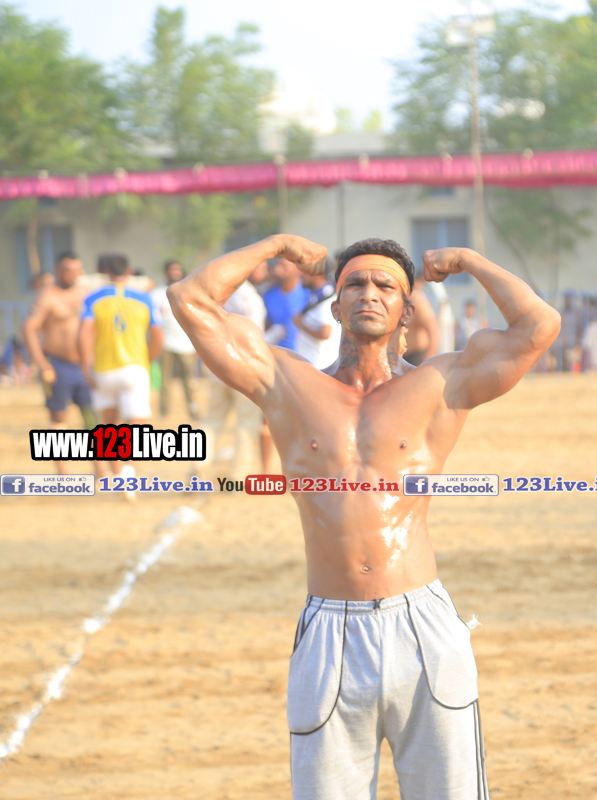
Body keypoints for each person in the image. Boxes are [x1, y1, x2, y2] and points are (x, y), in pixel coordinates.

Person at [168, 234, 559, 800]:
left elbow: (538, 325)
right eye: (354, 283)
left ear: (407, 311)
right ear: (335, 306)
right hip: (330, 630)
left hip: (423, 626)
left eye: (385, 286)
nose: (368, 293)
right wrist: (275, 245)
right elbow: (190, 300)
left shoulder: (441, 384)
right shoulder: (287, 382)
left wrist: (469, 260)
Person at [79, 253, 163, 496]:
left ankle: (117, 476)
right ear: (129, 272)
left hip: (104, 369)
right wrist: (149, 359)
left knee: (109, 427)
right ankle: (129, 469)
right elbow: (158, 336)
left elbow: (83, 335)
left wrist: (85, 366)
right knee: (135, 424)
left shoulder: (93, 299)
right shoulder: (144, 299)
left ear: (105, 271)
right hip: (135, 367)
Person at [22, 252, 97, 473]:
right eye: (67, 271)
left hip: (85, 365)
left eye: (76, 271)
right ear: (57, 271)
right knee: (58, 418)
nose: (72, 275)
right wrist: (42, 364)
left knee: (92, 417)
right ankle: (63, 474)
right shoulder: (47, 296)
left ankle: (100, 469)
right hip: (58, 365)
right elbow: (28, 328)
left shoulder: (87, 294)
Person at [199, 276, 268, 480]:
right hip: (244, 368)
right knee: (246, 424)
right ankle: (238, 475)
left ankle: (199, 464)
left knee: (212, 420)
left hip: (217, 365)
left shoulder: (216, 294)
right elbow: (254, 336)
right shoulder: (251, 299)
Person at [151, 260, 200, 418]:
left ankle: (193, 409)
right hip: (165, 344)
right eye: (171, 270)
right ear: (166, 272)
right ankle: (164, 411)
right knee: (165, 381)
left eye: (177, 270)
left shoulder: (188, 291)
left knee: (190, 381)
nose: (174, 273)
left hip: (186, 344)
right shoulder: (157, 294)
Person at [294, 264, 341, 370]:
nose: (301, 275)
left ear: (316, 275)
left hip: (319, 366)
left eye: (305, 272)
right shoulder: (316, 297)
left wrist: (300, 324)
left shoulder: (327, 300)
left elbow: (325, 333)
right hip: (310, 364)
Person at [405, 276, 440, 366]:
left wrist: (428, 359)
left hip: (416, 355)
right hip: (399, 356)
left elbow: (433, 330)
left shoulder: (417, 300)